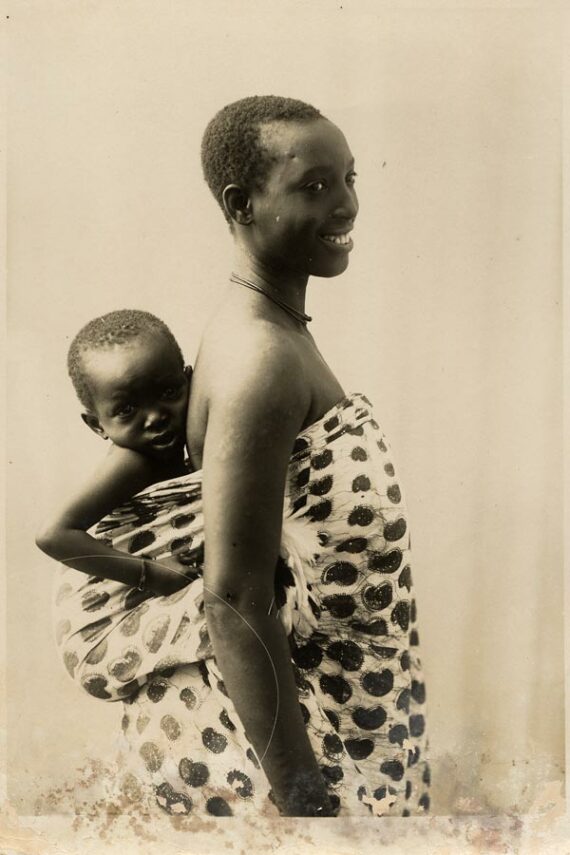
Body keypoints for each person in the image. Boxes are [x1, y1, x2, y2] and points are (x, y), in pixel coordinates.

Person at [49, 95, 430, 819]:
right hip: (290, 750)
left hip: (341, 717)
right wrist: (303, 797)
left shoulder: (270, 335)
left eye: (350, 178)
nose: (347, 204)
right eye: (314, 186)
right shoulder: (258, 358)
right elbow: (234, 597)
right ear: (241, 202)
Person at [36, 309, 195, 597]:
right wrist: (151, 574)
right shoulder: (132, 462)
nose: (155, 417)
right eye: (126, 410)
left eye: (169, 392)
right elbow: (53, 535)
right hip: (109, 599)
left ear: (190, 381)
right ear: (97, 426)